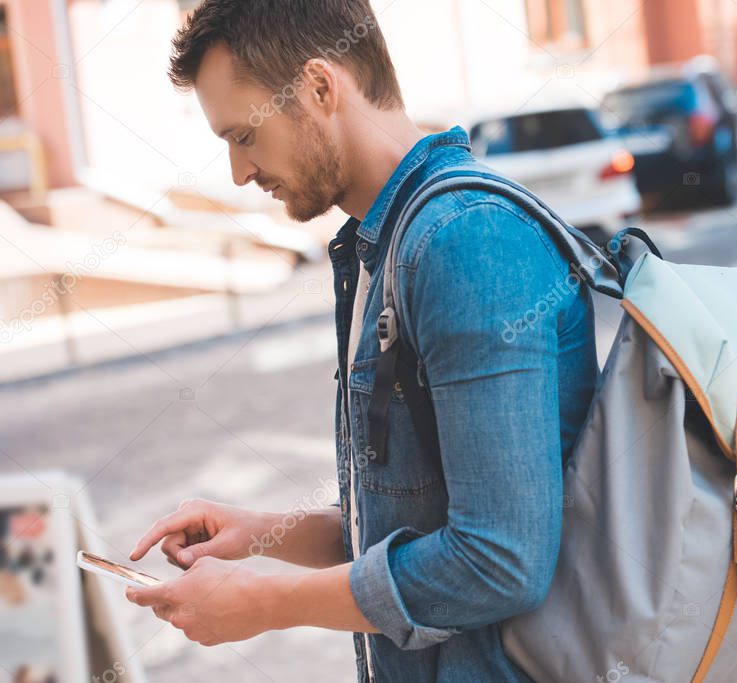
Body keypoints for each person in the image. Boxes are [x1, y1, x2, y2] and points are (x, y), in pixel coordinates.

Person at [125, 1, 598, 681]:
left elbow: (499, 559)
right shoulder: (393, 241)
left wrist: (264, 602)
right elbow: (418, 519)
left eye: (245, 135)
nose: (237, 171)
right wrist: (260, 532)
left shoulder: (463, 239)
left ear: (321, 88)